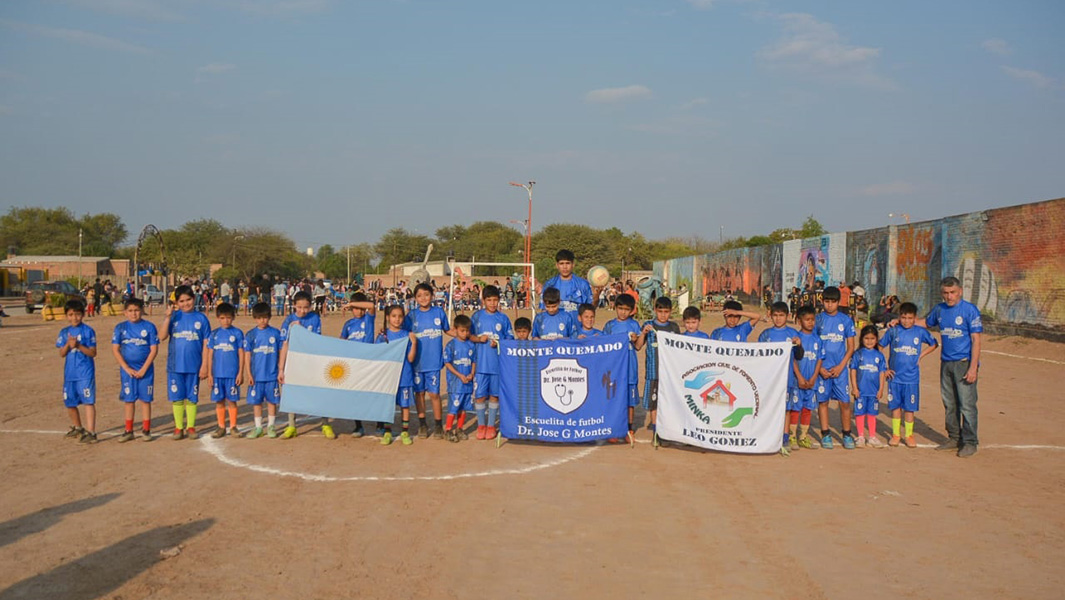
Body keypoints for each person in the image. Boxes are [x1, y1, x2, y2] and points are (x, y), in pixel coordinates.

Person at [916, 276, 982, 457]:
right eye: (945, 293)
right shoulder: (940, 310)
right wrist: (902, 321)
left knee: (967, 405)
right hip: (946, 363)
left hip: (964, 363)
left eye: (952, 292)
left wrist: (973, 367)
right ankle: (954, 438)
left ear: (960, 291)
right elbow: (925, 323)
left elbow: (976, 340)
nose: (949, 296)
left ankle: (970, 442)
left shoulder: (970, 310)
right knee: (949, 404)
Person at [879, 303, 938, 448]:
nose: (906, 321)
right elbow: (879, 347)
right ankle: (896, 435)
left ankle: (909, 435)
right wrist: (884, 368)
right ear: (899, 317)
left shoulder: (920, 332)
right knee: (895, 407)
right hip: (894, 378)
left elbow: (934, 344)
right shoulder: (893, 331)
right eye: (903, 317)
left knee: (909, 409)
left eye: (909, 318)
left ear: (915, 318)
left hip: (911, 378)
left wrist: (921, 356)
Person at [161, 285, 211, 440]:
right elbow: (161, 336)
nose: (185, 303)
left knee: (191, 397)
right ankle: (178, 427)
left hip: (194, 366)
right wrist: (168, 317)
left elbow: (206, 343)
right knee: (177, 397)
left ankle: (190, 427)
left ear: (194, 299)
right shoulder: (174, 317)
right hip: (175, 365)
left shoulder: (201, 318)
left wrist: (204, 366)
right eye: (181, 301)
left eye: (188, 299)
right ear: (176, 302)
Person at [404, 282, 452, 439]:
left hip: (433, 363)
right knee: (419, 394)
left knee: (434, 394)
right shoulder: (411, 315)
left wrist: (463, 334)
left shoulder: (439, 312)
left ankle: (438, 425)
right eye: (419, 296)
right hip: (417, 363)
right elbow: (402, 332)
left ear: (432, 295)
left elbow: (447, 330)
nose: (423, 298)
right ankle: (422, 424)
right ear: (415, 298)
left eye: (426, 294)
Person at [277, 291, 326, 438]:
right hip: (294, 362)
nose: (302, 310)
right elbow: (284, 345)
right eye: (299, 307)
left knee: (318, 391)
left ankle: (325, 423)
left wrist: (301, 330)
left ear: (310, 306)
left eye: (305, 307)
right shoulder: (288, 321)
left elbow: (316, 341)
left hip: (311, 361)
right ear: (294, 306)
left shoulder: (315, 318)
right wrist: (281, 368)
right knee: (292, 392)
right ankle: (292, 425)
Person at [111, 298, 159, 442]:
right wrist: (126, 368)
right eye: (130, 311)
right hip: (128, 372)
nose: (134, 314)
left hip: (146, 371)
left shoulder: (149, 327)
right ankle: (128, 430)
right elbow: (115, 350)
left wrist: (144, 368)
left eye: (137, 310)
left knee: (145, 400)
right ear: (125, 312)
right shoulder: (120, 328)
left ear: (142, 311)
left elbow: (154, 350)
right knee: (129, 400)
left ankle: (146, 429)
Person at [815, 286, 857, 449]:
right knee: (823, 402)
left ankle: (846, 434)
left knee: (845, 403)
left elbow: (851, 347)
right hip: (822, 370)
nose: (830, 305)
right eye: (827, 301)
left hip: (840, 371)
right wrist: (819, 369)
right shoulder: (818, 319)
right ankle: (825, 434)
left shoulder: (846, 320)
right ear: (822, 301)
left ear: (839, 302)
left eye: (833, 302)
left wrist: (841, 367)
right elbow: (813, 344)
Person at [758, 302, 803, 453]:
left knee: (786, 409)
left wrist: (799, 345)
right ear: (770, 316)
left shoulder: (792, 334)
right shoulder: (765, 335)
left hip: (787, 378)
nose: (778, 319)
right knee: (768, 407)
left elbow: (799, 356)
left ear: (788, 316)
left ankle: (785, 437)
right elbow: (757, 356)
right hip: (769, 380)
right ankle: (767, 436)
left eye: (781, 315)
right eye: (775, 316)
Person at [470, 285, 513, 440]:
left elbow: (510, 340)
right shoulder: (476, 317)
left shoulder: (503, 318)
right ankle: (481, 425)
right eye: (489, 300)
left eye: (495, 300)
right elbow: (468, 336)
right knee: (480, 396)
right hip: (480, 364)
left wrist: (499, 342)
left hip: (497, 366)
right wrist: (478, 339)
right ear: (483, 301)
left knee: (495, 396)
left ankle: (490, 426)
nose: (493, 303)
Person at [57, 299, 98, 443]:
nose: (74, 318)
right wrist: (69, 344)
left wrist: (79, 345)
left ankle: (91, 432)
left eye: (78, 314)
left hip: (85, 373)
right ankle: (78, 427)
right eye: (71, 314)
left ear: (83, 314)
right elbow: (61, 353)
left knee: (88, 402)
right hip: (70, 374)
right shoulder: (64, 332)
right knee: (70, 402)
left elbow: (93, 353)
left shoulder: (88, 331)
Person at [603, 293, 643, 439]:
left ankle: (629, 429)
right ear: (615, 307)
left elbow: (638, 346)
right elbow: (603, 346)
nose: (623, 312)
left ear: (632, 310)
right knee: (614, 399)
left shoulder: (634, 325)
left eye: (627, 309)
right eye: (620, 308)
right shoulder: (610, 326)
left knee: (629, 402)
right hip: (615, 370)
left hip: (630, 369)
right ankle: (614, 428)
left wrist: (639, 336)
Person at [377, 305, 418, 446]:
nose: (397, 319)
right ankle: (387, 431)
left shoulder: (407, 335)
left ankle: (405, 431)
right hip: (389, 378)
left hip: (405, 376)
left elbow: (411, 359)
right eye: (393, 316)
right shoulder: (383, 336)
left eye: (400, 316)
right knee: (389, 404)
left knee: (405, 405)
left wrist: (413, 343)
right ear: (388, 317)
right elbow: (378, 355)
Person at [340, 291, 378, 437]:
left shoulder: (368, 319)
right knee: (356, 395)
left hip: (369, 362)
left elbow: (371, 305)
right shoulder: (348, 324)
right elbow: (342, 341)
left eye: (360, 307)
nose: (359, 311)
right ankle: (358, 426)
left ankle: (380, 424)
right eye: (355, 308)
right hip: (354, 363)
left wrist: (351, 303)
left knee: (373, 393)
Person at [243, 302, 283, 438]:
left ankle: (271, 426)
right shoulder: (250, 335)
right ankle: (258, 427)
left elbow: (281, 352)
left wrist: (280, 370)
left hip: (271, 376)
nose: (262, 320)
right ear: (255, 318)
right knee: (257, 402)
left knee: (272, 402)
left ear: (269, 317)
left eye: (265, 317)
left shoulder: (275, 333)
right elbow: (247, 356)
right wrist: (249, 374)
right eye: (259, 318)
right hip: (256, 376)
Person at [640, 296, 679, 433]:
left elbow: (680, 350)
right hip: (653, 370)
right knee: (653, 399)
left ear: (671, 311)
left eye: (666, 311)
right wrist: (643, 333)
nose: (663, 315)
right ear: (655, 310)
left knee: (668, 398)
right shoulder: (648, 325)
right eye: (660, 311)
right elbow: (638, 346)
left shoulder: (674, 327)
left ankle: (666, 423)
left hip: (668, 372)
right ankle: (655, 424)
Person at [206, 302, 245, 438]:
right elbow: (210, 354)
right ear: (218, 318)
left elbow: (241, 353)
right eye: (222, 318)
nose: (225, 321)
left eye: (228, 317)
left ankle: (233, 427)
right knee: (219, 401)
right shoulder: (214, 334)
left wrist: (240, 372)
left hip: (232, 374)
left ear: (233, 317)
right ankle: (221, 427)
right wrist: (209, 373)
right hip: (217, 374)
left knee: (232, 400)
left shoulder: (237, 333)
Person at [849, 325, 887, 448]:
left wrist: (881, 389)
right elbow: (853, 370)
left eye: (872, 338)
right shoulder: (858, 354)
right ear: (862, 339)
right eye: (866, 338)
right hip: (861, 391)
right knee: (860, 413)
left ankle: (872, 437)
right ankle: (860, 436)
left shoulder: (879, 356)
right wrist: (854, 387)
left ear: (876, 339)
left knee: (872, 413)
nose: (869, 341)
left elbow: (882, 373)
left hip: (873, 391)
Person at [791, 306, 823, 449]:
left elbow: (819, 360)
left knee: (808, 408)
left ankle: (803, 436)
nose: (810, 322)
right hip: (798, 381)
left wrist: (814, 377)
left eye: (812, 320)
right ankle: (792, 436)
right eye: (807, 320)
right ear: (799, 321)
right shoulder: (796, 338)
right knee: (795, 408)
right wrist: (799, 377)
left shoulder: (818, 340)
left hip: (812, 381)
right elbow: (792, 360)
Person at [443, 315, 476, 442]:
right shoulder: (451, 345)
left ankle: (460, 428)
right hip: (456, 383)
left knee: (463, 408)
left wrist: (471, 373)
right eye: (462, 330)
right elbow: (447, 363)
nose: (465, 333)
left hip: (467, 383)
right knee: (454, 407)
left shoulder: (471, 345)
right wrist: (460, 375)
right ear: (455, 330)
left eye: (467, 331)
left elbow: (473, 361)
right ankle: (448, 430)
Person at [540, 249, 601, 316]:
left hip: (577, 325)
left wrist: (596, 297)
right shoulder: (550, 285)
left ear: (573, 264)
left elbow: (590, 309)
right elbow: (544, 310)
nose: (565, 267)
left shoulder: (583, 284)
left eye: (567, 263)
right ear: (557, 265)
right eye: (561, 263)